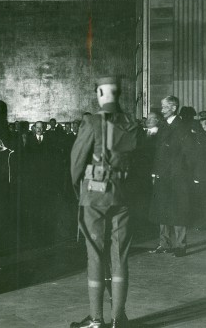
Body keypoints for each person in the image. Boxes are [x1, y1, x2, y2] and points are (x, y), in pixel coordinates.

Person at [70, 76, 140, 328]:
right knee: (120, 255)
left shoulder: (92, 122)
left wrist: (80, 192)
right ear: (118, 94)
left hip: (95, 196)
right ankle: (118, 319)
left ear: (100, 93)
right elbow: (140, 163)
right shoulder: (132, 123)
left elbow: (76, 163)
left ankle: (96, 319)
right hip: (123, 196)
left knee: (96, 255)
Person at [148, 96, 194, 257]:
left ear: (173, 108)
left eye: (165, 107)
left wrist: (185, 173)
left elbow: (188, 153)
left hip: (177, 175)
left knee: (178, 210)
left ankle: (180, 245)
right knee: (162, 208)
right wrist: (155, 171)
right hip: (163, 175)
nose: (162, 110)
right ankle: (164, 243)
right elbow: (158, 153)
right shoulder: (163, 126)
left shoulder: (181, 127)